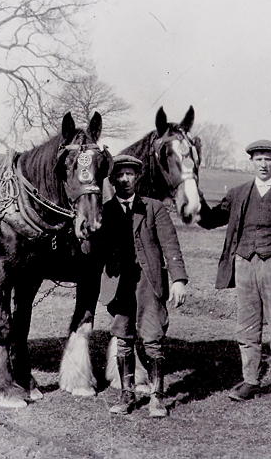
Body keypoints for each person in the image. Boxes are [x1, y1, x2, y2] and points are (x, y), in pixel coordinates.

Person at [198, 140, 271, 409]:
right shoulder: (239, 193)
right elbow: (211, 219)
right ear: (251, 161)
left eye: (268, 159)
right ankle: (250, 380)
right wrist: (196, 200)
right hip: (244, 264)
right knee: (246, 325)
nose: (263, 164)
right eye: (259, 159)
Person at [97, 155, 188, 418]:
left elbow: (171, 245)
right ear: (112, 180)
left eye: (130, 174)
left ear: (137, 178)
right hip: (119, 286)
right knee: (123, 340)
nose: (124, 179)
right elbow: (95, 249)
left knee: (152, 341)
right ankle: (127, 395)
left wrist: (178, 279)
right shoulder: (104, 211)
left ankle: (157, 398)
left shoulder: (154, 207)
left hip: (149, 284)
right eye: (119, 175)